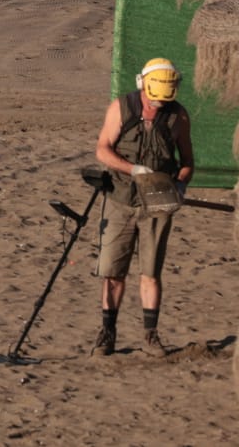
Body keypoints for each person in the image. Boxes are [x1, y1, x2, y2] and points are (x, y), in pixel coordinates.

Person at [92, 57, 195, 357]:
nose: (158, 104)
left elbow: (187, 162)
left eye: (164, 99)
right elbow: (102, 149)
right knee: (113, 272)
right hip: (120, 200)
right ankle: (107, 334)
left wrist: (180, 185)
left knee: (150, 272)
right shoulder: (121, 109)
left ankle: (150, 336)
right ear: (143, 85)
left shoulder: (179, 117)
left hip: (158, 206)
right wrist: (131, 169)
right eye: (154, 98)